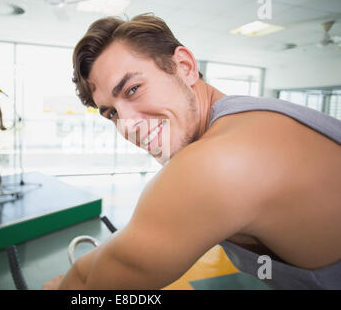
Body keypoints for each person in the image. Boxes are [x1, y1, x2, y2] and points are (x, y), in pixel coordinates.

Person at [44, 14, 341, 290]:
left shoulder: (217, 162)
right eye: (111, 113)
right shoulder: (247, 118)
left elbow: (91, 287)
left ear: (184, 67)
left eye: (133, 89)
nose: (127, 126)